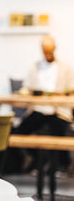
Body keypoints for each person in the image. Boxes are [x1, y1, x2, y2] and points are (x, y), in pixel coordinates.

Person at [13, 35, 74, 172]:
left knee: (59, 132)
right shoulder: (35, 67)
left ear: (55, 49)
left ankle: (62, 166)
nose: (48, 53)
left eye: (50, 50)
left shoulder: (65, 67)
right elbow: (28, 88)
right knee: (19, 132)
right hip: (39, 108)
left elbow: (71, 90)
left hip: (59, 110)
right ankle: (39, 159)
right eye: (45, 50)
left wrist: (59, 95)